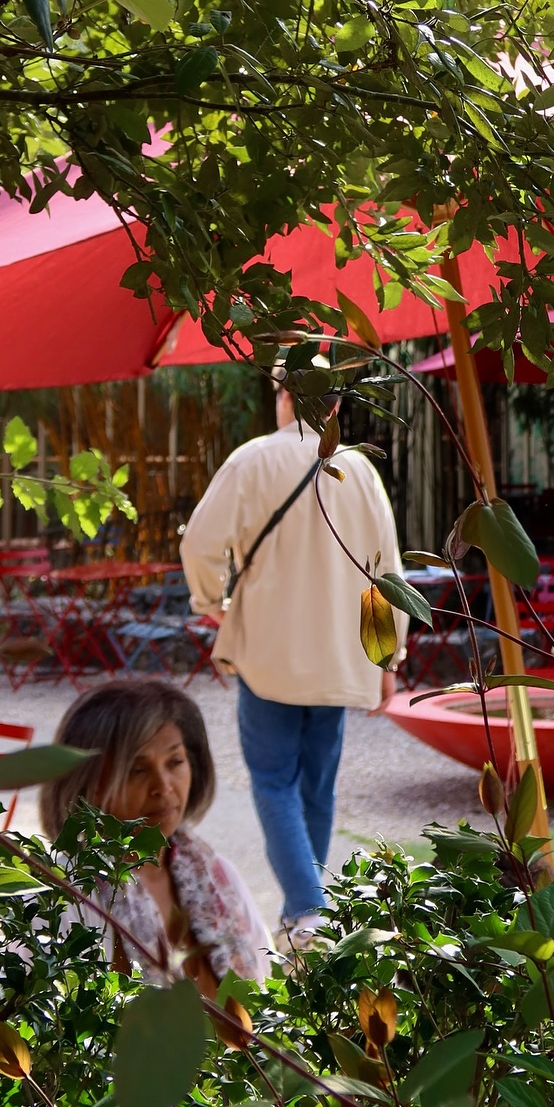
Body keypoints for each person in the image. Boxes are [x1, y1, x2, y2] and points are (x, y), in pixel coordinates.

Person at [180, 368, 404, 949]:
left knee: (274, 780)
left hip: (268, 653)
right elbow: (386, 575)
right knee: (317, 787)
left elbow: (198, 544)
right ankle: (304, 918)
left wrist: (211, 603)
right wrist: (387, 658)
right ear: (335, 408)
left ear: (284, 398)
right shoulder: (360, 469)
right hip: (339, 656)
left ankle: (307, 909)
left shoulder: (252, 459)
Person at [38, 676, 271, 989]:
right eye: (137, 770)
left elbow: (264, 995)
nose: (163, 786)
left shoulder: (217, 877)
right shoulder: (67, 899)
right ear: (88, 785)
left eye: (175, 762)